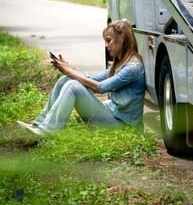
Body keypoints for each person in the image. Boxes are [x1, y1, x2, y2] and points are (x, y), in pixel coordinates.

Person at [17, 20, 146, 136]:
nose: (106, 46)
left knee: (73, 86)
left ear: (122, 38)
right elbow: (91, 78)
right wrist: (69, 70)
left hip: (124, 127)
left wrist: (69, 71)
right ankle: (38, 125)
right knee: (65, 80)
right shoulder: (121, 63)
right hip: (112, 116)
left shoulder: (132, 68)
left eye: (108, 41)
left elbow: (99, 88)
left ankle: (47, 131)